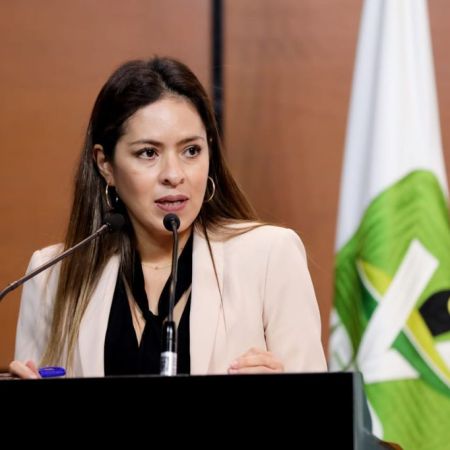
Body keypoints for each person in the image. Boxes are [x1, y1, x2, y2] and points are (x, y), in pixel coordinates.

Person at [9, 56, 327, 378]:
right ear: (106, 165)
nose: (174, 175)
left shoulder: (271, 256)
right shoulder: (51, 278)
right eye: (148, 153)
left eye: (191, 151)